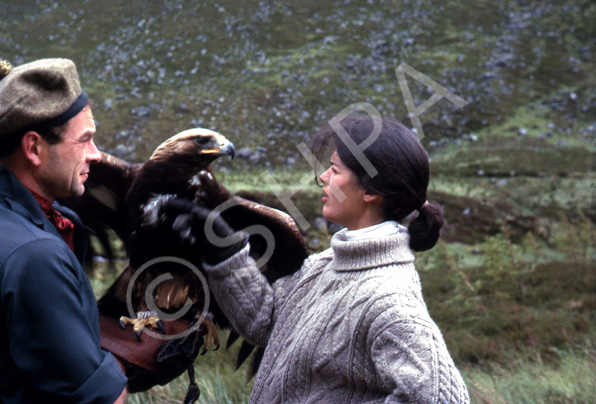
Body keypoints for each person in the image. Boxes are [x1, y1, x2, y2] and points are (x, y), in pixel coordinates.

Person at [169, 114, 470, 403]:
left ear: (371, 192)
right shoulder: (323, 266)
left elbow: (442, 398)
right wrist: (226, 253)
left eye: (335, 170)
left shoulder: (388, 299)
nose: (324, 177)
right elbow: (265, 323)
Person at [0, 59, 127, 403]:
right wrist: (115, 373)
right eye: (84, 140)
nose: (96, 155)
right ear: (34, 148)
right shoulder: (35, 256)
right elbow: (99, 400)